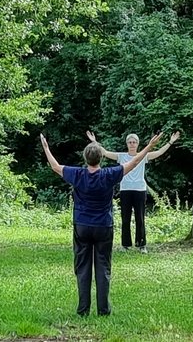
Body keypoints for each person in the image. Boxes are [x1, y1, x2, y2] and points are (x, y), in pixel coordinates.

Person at [40, 132, 162, 316]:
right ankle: (103, 310)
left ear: (85, 158)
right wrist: (149, 146)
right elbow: (135, 162)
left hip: (82, 226)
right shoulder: (109, 174)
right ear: (101, 159)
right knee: (103, 267)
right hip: (104, 226)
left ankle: (83, 310)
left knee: (82, 268)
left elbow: (55, 166)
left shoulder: (77, 174)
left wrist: (46, 148)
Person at [86, 129, 180, 253]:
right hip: (125, 190)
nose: (132, 144)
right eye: (130, 142)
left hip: (140, 190)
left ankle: (141, 245)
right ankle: (125, 245)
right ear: (127, 144)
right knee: (125, 218)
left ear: (137, 144)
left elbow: (158, 153)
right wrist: (94, 141)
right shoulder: (121, 156)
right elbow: (104, 152)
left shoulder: (143, 155)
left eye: (134, 142)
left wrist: (171, 142)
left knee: (140, 218)